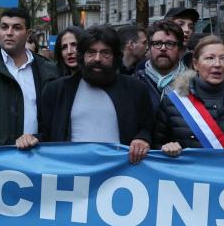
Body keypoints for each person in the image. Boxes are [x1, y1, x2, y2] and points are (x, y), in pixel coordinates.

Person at [37, 25, 154, 163]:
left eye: (105, 53)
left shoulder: (136, 89)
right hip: (70, 173)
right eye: (91, 52)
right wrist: (31, 138)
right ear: (82, 56)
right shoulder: (56, 90)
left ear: (115, 57)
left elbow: (148, 128)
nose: (97, 59)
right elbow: (44, 133)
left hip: (120, 175)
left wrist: (142, 139)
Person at [153, 35, 224, 159]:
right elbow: (155, 147)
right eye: (210, 58)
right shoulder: (173, 102)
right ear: (196, 64)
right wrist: (165, 148)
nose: (218, 64)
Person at [0, 7, 59, 150]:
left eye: (16, 28)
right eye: (4, 27)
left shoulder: (47, 70)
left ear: (28, 33)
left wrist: (37, 138)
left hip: (36, 156)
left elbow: (53, 120)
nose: (9, 33)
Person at [136, 20, 187, 115]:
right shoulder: (135, 83)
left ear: (179, 49)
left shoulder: (193, 84)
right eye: (157, 43)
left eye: (170, 44)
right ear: (150, 47)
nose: (163, 48)